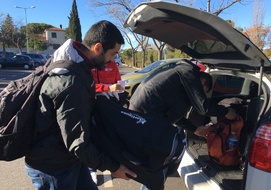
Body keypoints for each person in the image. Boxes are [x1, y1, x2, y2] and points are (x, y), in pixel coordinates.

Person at [25, 20, 136, 190]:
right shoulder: (72, 81)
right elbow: (77, 140)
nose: (113, 60)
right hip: (53, 167)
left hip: (70, 158)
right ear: (97, 48)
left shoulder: (75, 68)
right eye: (113, 54)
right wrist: (114, 167)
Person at [128, 58, 237, 190]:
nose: (200, 94)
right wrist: (226, 112)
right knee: (157, 165)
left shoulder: (180, 78)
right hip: (145, 120)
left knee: (155, 166)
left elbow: (173, 115)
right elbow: (203, 107)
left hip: (143, 118)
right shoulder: (188, 72)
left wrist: (194, 129)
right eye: (203, 90)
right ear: (201, 81)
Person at [89, 61, 125, 184]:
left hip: (109, 104)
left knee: (107, 135)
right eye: (112, 53)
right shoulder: (89, 64)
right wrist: (107, 87)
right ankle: (91, 169)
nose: (113, 58)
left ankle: (110, 163)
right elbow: (88, 86)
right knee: (91, 137)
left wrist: (119, 88)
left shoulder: (113, 64)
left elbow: (119, 81)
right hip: (92, 105)